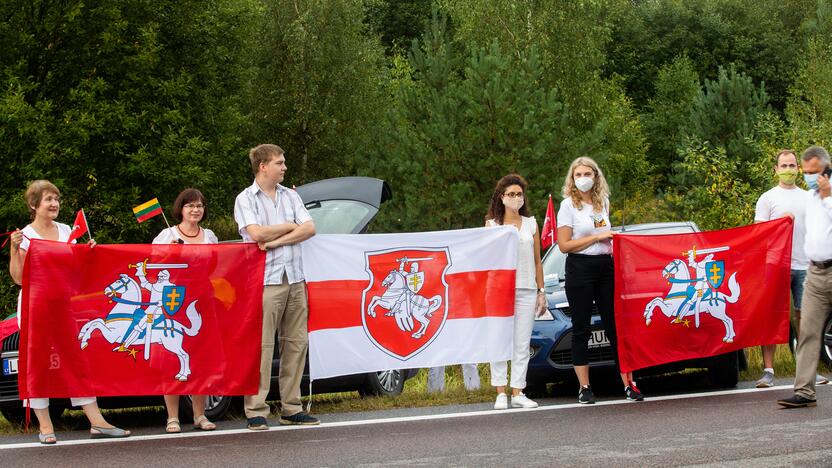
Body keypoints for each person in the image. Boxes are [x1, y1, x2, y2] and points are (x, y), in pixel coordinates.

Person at [8, 180, 131, 443]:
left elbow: (77, 270)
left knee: (76, 358)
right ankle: (45, 426)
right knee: (37, 362)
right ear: (34, 205)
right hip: (35, 305)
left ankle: (97, 422)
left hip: (64, 303)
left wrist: (89, 252)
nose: (55, 204)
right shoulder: (26, 236)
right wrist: (13, 250)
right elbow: (19, 279)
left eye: (57, 199)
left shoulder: (66, 231)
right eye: (48, 200)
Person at [234, 144, 319, 429]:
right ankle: (255, 409)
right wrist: (287, 225)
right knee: (262, 344)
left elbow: (309, 228)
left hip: (294, 277)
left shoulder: (291, 195)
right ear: (263, 166)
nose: (284, 167)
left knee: (296, 343)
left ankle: (291, 406)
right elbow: (255, 233)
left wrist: (277, 240)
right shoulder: (245, 199)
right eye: (279, 163)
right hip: (263, 280)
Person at [556, 157, 643, 404]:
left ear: (596, 176)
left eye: (587, 174)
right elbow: (564, 245)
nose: (582, 179)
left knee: (615, 326)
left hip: (605, 267)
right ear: (572, 179)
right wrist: (596, 238)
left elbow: (607, 235)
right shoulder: (567, 206)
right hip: (580, 267)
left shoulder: (602, 201)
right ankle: (584, 387)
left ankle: (629, 384)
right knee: (581, 328)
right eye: (578, 175)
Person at [753, 150, 828, 388]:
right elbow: (757, 233)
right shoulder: (767, 198)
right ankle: (768, 370)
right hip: (776, 265)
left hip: (804, 265)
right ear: (775, 170)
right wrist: (778, 222)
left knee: (804, 319)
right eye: (783, 165)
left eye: (792, 165)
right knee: (772, 316)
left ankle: (807, 370)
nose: (788, 169)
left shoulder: (809, 197)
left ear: (798, 169)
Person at [151, 188, 218, 433]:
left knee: (201, 356)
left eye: (200, 205)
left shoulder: (209, 236)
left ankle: (200, 414)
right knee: (171, 355)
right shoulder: (166, 234)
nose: (195, 210)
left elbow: (216, 265)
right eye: (190, 205)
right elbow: (153, 267)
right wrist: (169, 251)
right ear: (181, 208)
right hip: (173, 300)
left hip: (202, 298)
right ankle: (172, 417)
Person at [486, 174, 547, 410]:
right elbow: (488, 260)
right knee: (500, 340)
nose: (515, 198)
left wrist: (541, 291)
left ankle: (518, 391)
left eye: (519, 194)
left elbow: (538, 261)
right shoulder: (492, 225)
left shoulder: (531, 223)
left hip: (527, 288)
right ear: (502, 197)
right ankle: (500, 392)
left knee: (522, 343)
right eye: (511, 194)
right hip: (500, 290)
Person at [779, 145, 832, 408]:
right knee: (808, 330)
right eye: (807, 171)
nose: (810, 176)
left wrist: (829, 196)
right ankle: (804, 391)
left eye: (814, 172)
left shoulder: (827, 193)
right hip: (815, 272)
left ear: (826, 168)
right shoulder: (811, 196)